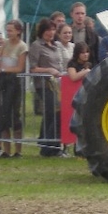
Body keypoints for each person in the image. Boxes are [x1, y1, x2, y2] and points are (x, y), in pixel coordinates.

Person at [29, 18, 66, 157]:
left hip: (56, 85)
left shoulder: (56, 45)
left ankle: (49, 145)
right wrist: (49, 70)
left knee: (53, 114)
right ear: (42, 31)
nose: (50, 33)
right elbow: (33, 68)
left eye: (52, 30)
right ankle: (49, 146)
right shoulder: (36, 45)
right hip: (43, 85)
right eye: (48, 30)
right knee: (53, 113)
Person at [0, 20, 28, 158]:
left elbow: (19, 68)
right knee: (2, 114)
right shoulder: (4, 44)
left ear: (18, 31)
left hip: (14, 84)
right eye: (7, 30)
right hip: (3, 83)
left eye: (10, 30)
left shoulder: (22, 47)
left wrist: (3, 69)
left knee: (14, 115)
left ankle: (18, 150)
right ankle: (6, 150)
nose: (8, 33)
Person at [70, 2, 100, 66]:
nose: (80, 16)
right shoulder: (66, 31)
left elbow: (96, 54)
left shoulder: (92, 33)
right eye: (77, 13)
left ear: (85, 15)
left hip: (88, 68)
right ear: (71, 14)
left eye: (82, 13)